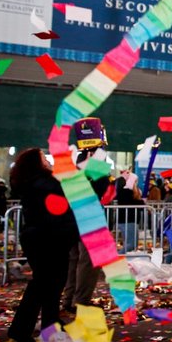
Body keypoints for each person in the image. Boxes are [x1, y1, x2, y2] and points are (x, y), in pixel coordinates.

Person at [5, 148, 79, 342]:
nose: (47, 160)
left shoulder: (34, 183)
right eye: (43, 158)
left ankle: (50, 323)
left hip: (44, 237)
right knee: (42, 285)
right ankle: (20, 331)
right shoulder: (44, 183)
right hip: (48, 238)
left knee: (52, 284)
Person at [62, 118, 112, 311]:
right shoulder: (93, 160)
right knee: (89, 260)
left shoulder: (79, 161)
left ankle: (70, 299)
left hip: (74, 215)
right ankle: (80, 300)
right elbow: (99, 188)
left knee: (74, 259)